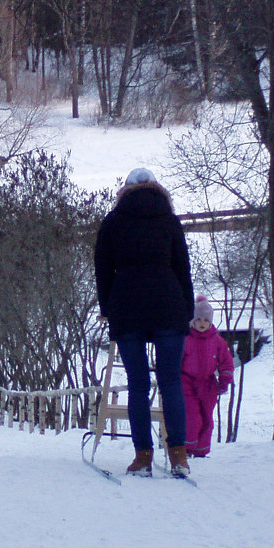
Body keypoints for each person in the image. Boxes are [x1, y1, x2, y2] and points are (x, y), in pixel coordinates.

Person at [94, 167, 194, 478]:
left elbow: (103, 269)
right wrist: (186, 311)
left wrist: (109, 308)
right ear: (155, 188)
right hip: (168, 305)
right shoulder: (169, 220)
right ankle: (179, 455)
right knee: (171, 382)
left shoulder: (113, 222)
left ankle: (143, 457)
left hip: (128, 308)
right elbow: (182, 268)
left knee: (138, 385)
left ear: (125, 190)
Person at [181, 296, 235, 459]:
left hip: (208, 384)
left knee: (206, 418)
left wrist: (224, 379)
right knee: (192, 416)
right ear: (193, 321)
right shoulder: (186, 339)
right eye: (198, 319)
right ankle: (187, 447)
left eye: (206, 319)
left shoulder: (217, 341)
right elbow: (177, 359)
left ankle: (201, 450)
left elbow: (226, 361)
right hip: (187, 382)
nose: (202, 323)